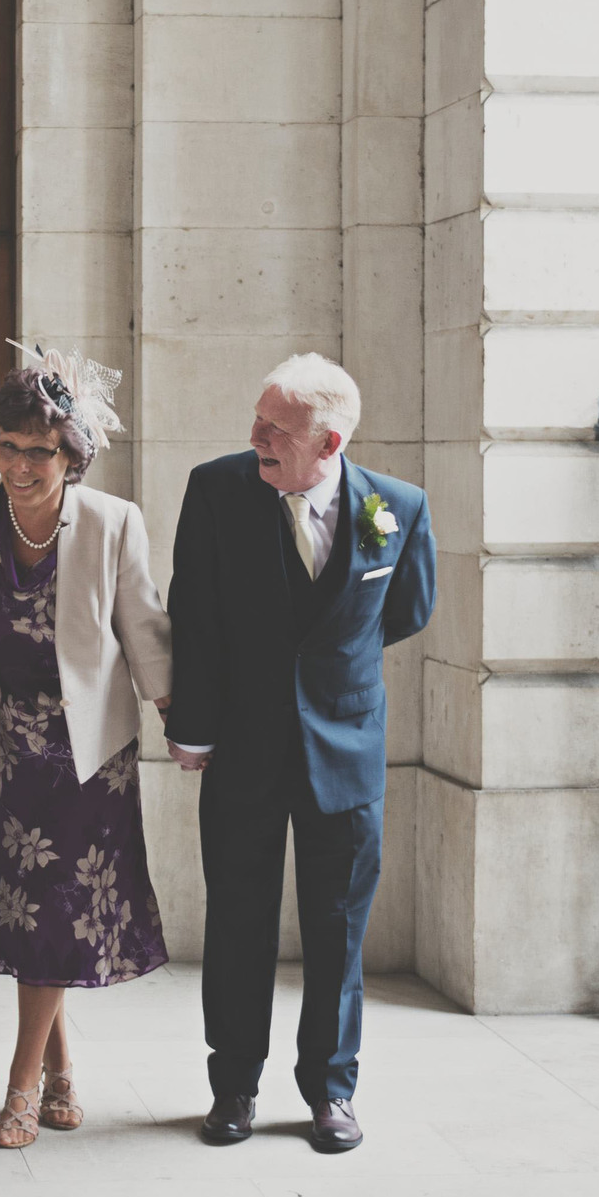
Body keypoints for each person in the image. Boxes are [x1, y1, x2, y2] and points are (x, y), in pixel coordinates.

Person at [165, 353, 435, 1153]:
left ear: (329, 443)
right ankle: (234, 1089)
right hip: (242, 748)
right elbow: (196, 613)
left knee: (337, 930)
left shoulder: (400, 507)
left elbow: (407, 610)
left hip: (346, 755)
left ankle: (331, 1092)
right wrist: (197, 725)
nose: (255, 436)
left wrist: (326, 680)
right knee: (238, 925)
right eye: (257, 420)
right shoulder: (216, 490)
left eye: (275, 429)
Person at [0, 352, 174, 1147]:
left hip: (83, 757)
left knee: (56, 916)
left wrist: (181, 720)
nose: (20, 466)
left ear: (74, 456)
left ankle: (22, 1085)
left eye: (41, 452)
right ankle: (63, 1066)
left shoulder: (111, 522)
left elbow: (144, 630)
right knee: (32, 921)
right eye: (7, 446)